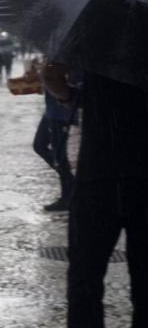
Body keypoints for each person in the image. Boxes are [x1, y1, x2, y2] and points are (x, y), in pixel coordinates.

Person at [43, 63, 148, 327]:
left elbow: (52, 76)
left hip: (100, 175)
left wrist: (67, 93)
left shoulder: (97, 36)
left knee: (85, 280)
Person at [32, 89, 75, 211]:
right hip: (51, 110)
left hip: (61, 112)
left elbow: (54, 77)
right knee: (40, 145)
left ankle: (68, 196)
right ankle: (71, 184)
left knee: (59, 155)